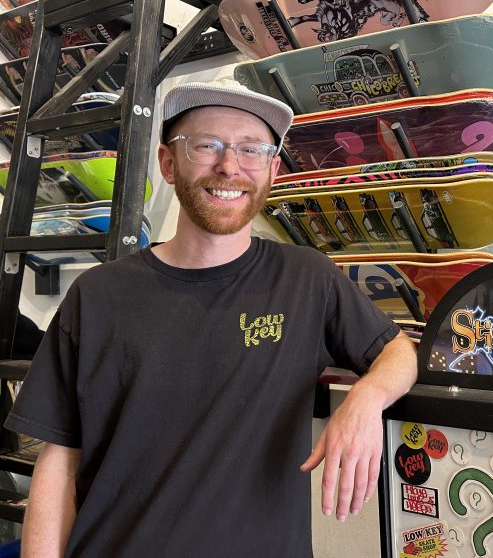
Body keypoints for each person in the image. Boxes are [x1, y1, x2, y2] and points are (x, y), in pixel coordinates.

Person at [4, 82, 418, 556]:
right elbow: (59, 461)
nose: (229, 165)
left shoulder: (306, 278)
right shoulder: (97, 294)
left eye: (251, 149)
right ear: (167, 162)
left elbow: (397, 351)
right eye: (206, 145)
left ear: (272, 170)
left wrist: (368, 397)